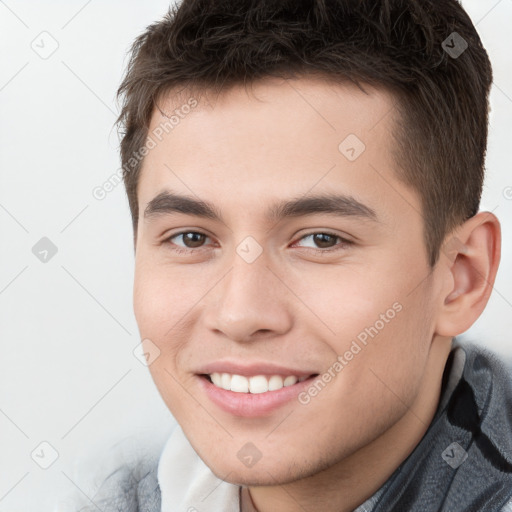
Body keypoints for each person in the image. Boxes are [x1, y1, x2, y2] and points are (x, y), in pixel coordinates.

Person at [82, 0, 512, 510]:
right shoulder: (114, 492)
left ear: (462, 277)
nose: (240, 315)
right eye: (191, 238)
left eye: (321, 240)